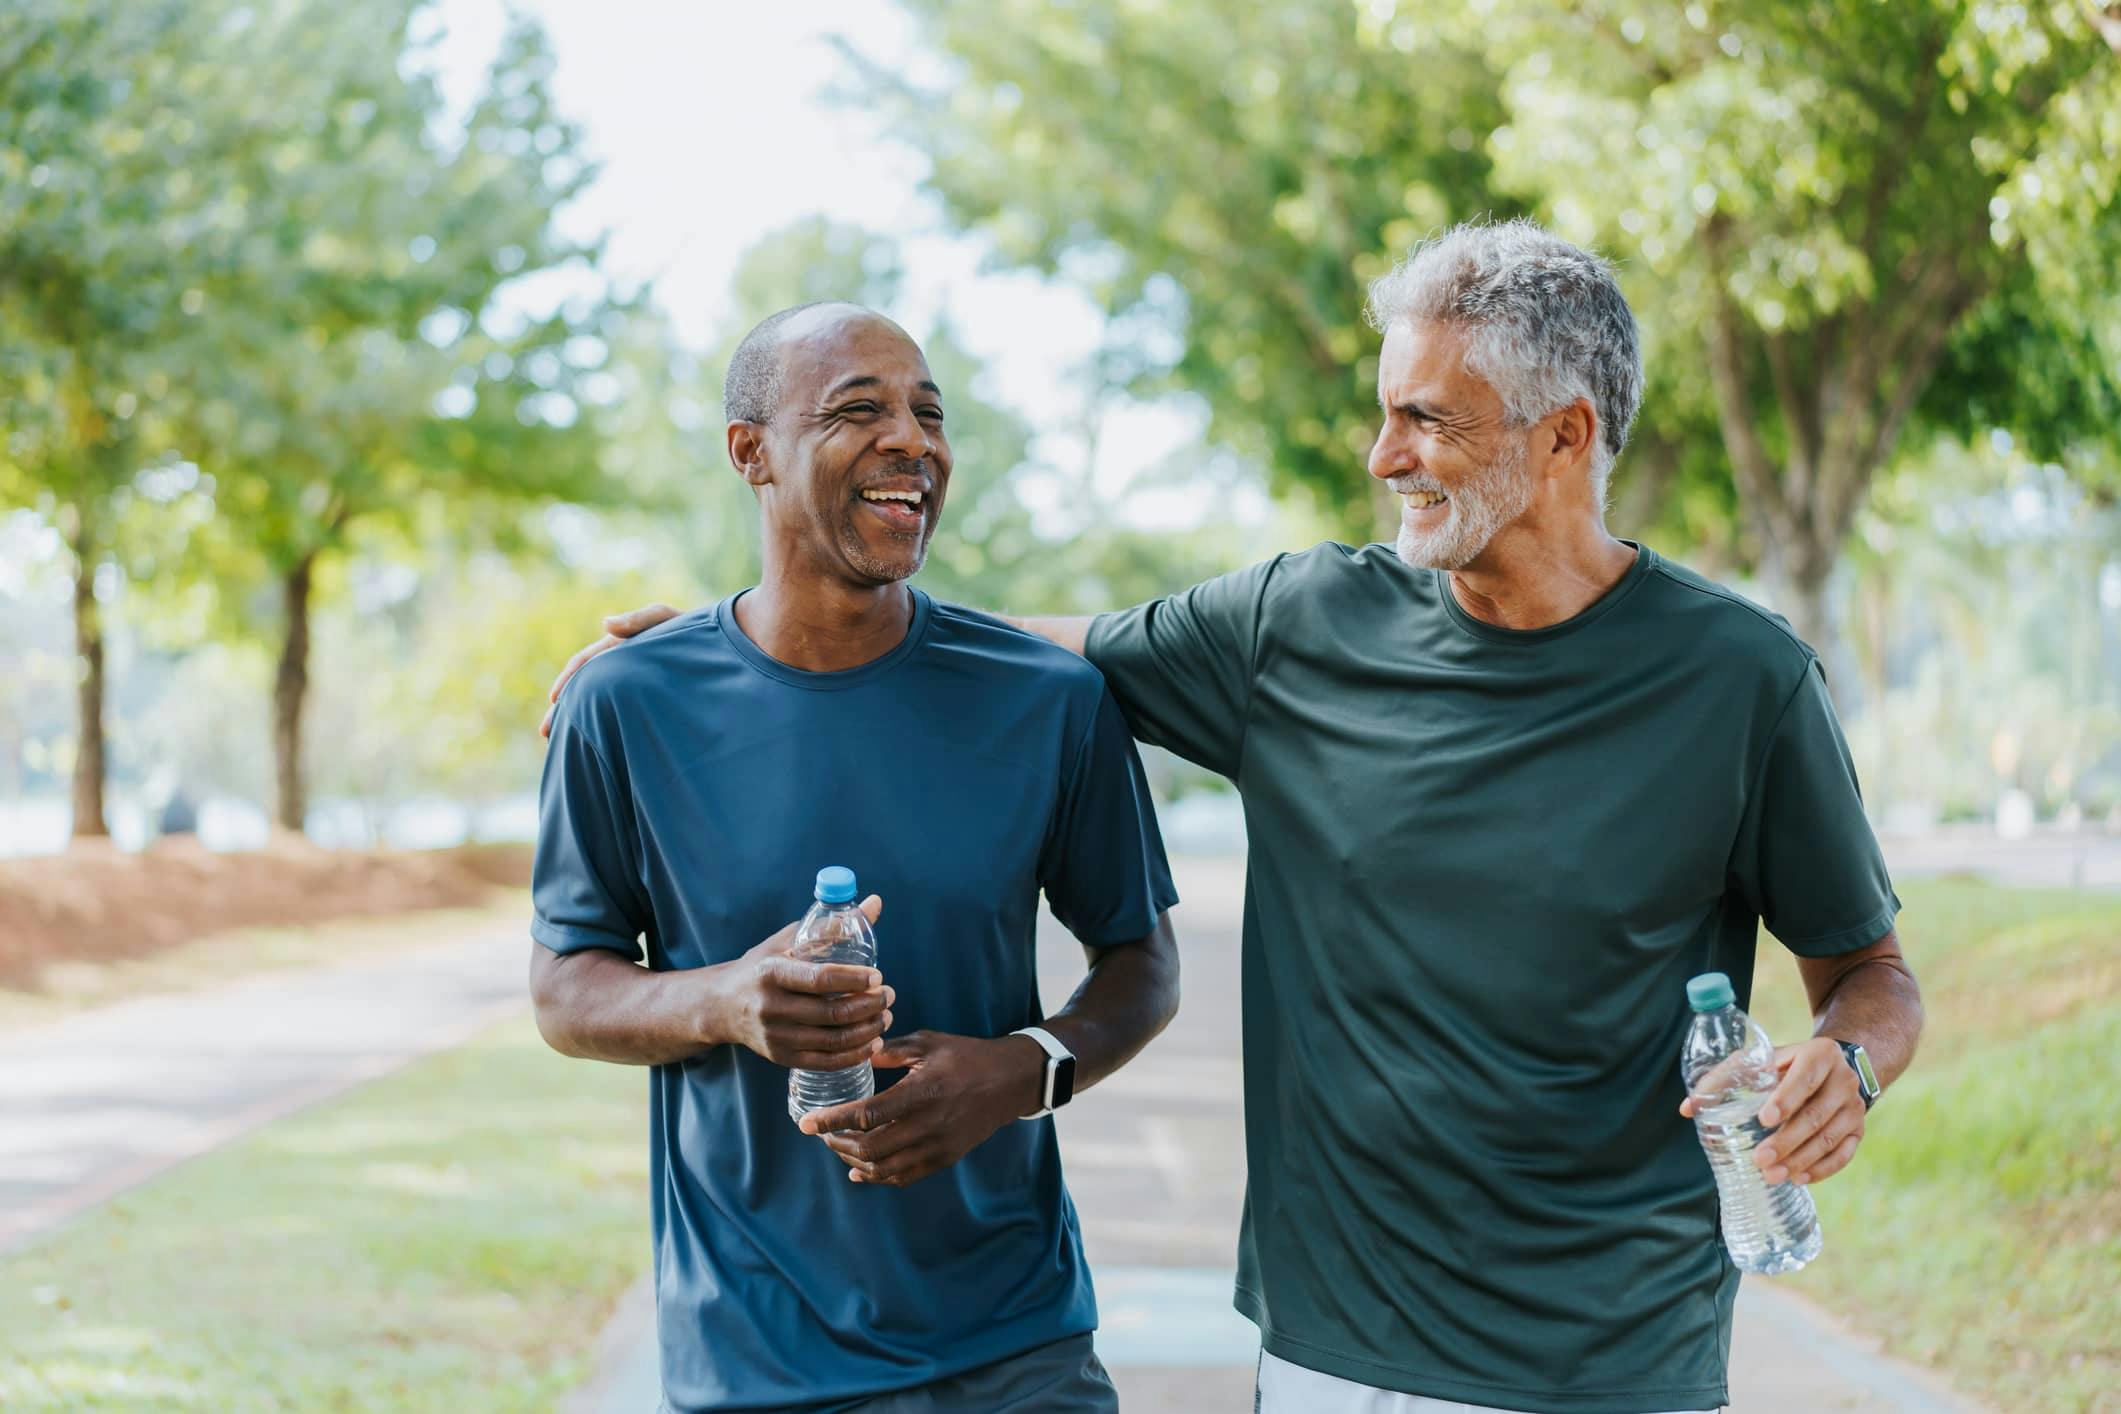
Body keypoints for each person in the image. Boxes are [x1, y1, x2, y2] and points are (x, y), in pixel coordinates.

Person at [547, 222, 1925, 1414]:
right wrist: (732, 643)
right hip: (1336, 1347)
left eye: (1427, 419)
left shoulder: (1742, 680)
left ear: (1563, 434)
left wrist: (1844, 1067)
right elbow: (1032, 650)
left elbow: (1870, 974)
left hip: (1619, 1350)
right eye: (1386, 410)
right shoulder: (1300, 625)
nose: (1383, 454)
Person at [530, 301, 1180, 1413]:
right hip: (757, 1358)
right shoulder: (626, 704)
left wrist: (1018, 1071)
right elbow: (565, 989)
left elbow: (1143, 965)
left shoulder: (1048, 701)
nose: (912, 443)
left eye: (929, 415)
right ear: (753, 454)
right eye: (858, 410)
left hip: (1017, 1348)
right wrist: (730, 1000)